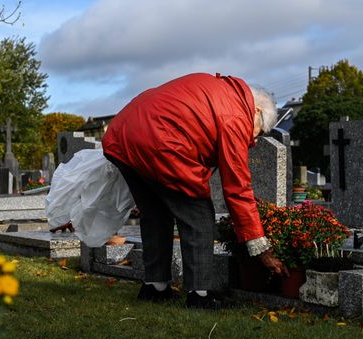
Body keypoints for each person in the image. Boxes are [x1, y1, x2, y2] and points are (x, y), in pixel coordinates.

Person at [102, 72, 288, 309]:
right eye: (259, 133)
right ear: (257, 112)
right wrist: (260, 246)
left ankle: (155, 287)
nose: (253, 141)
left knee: (156, 213)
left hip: (122, 134)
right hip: (160, 141)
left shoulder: (223, 91)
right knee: (199, 216)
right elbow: (237, 188)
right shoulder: (236, 116)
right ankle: (199, 295)